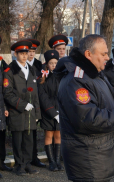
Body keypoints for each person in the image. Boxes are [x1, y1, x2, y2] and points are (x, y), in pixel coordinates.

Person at [54, 34, 114, 182]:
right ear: (88, 54)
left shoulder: (94, 74)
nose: (108, 57)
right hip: (88, 160)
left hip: (98, 156)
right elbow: (87, 118)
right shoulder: (76, 80)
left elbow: (103, 99)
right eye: (104, 54)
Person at [3, 40, 41, 175]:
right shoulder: (9, 70)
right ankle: (19, 165)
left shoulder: (31, 69)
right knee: (18, 141)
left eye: (26, 53)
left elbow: (35, 93)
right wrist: (24, 105)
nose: (25, 56)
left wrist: (37, 113)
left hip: (30, 112)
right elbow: (8, 93)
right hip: (17, 111)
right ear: (15, 54)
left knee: (28, 140)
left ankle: (27, 164)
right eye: (21, 53)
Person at [38, 50, 64, 171]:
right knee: (49, 135)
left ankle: (58, 161)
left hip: (60, 109)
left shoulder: (62, 75)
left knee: (58, 135)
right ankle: (52, 162)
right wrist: (53, 113)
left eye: (55, 63)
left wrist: (61, 111)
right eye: (51, 63)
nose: (54, 65)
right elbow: (43, 97)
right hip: (48, 111)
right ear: (47, 64)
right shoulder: (43, 77)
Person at [26, 38, 46, 168]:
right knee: (26, 133)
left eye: (33, 51)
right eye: (29, 51)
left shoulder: (40, 65)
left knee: (35, 133)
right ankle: (26, 158)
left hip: (38, 103)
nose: (31, 54)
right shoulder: (19, 66)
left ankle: (34, 157)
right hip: (26, 103)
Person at [0, 36, 12, 178]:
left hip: (1, 105)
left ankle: (1, 162)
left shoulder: (2, 63)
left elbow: (6, 87)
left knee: (1, 135)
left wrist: (6, 107)